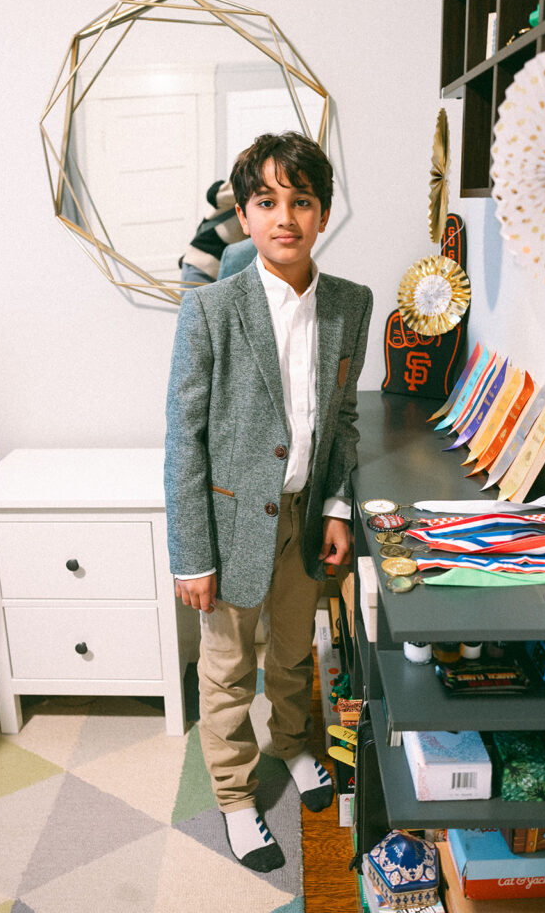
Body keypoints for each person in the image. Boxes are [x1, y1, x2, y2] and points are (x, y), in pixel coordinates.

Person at [164, 131, 373, 873]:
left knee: (290, 653)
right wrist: (190, 554)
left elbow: (342, 419)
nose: (285, 216)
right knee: (226, 669)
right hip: (226, 525)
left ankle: (292, 743)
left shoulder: (352, 303)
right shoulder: (211, 309)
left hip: (304, 515)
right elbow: (183, 438)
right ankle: (232, 793)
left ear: (321, 213)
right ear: (245, 217)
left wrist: (340, 509)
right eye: (266, 201)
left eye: (302, 201)